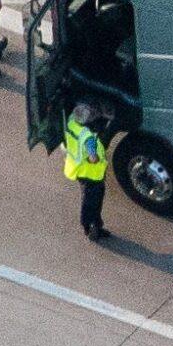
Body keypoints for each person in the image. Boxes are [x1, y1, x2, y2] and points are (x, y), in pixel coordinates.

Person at [64, 101, 110, 241]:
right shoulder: (88, 138)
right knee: (93, 202)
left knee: (87, 198)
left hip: (78, 170)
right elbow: (93, 158)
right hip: (91, 174)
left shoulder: (71, 122)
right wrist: (94, 158)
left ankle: (89, 225)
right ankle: (92, 227)